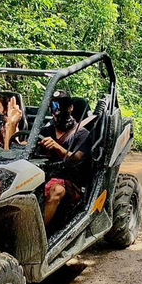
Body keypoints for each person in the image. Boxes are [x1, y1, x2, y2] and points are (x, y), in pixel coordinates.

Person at [38, 90, 92, 226]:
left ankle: (38, 234)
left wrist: (57, 147)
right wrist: (11, 127)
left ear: (70, 108)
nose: (57, 111)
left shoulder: (82, 133)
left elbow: (77, 158)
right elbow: (23, 147)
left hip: (69, 182)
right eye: (54, 106)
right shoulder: (45, 130)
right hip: (41, 176)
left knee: (56, 190)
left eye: (61, 106)